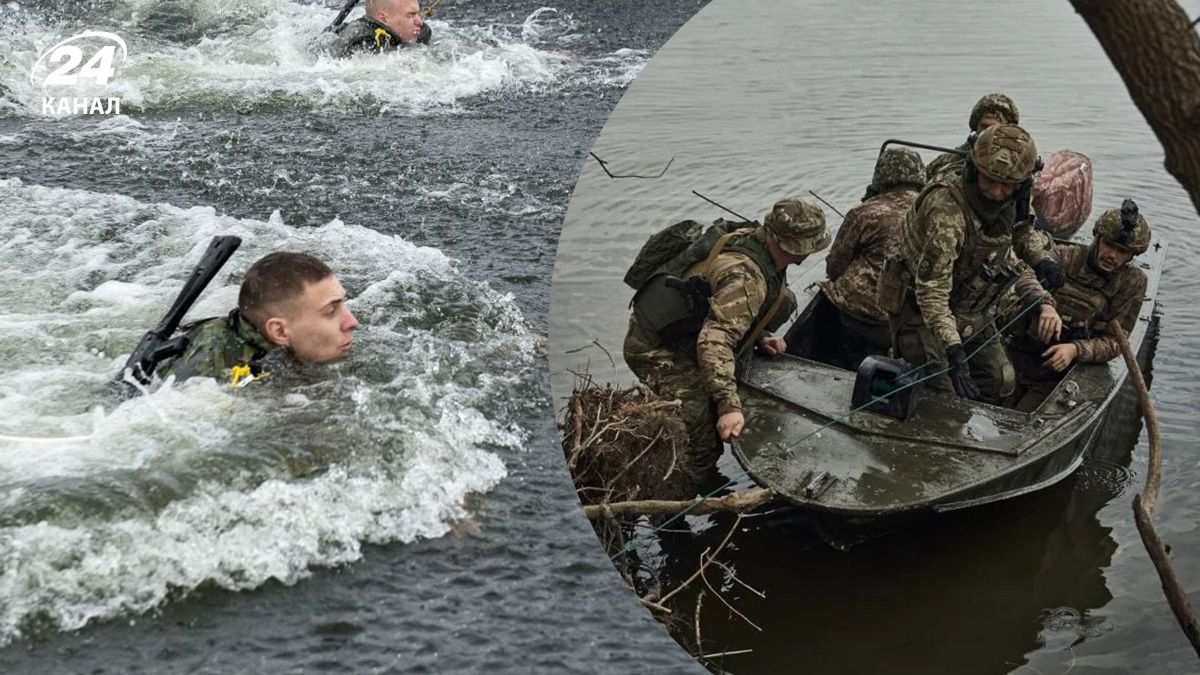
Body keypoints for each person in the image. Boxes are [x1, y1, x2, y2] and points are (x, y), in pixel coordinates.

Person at [623, 198, 829, 482]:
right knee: (702, 429)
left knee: (785, 301)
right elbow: (714, 342)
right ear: (798, 249)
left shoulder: (756, 243)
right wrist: (728, 407)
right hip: (653, 346)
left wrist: (760, 337)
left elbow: (721, 309)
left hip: (687, 333)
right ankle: (683, 490)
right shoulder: (746, 279)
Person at [879, 123, 1059, 404]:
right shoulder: (947, 210)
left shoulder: (1015, 198)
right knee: (940, 394)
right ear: (975, 170)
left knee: (1001, 380)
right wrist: (953, 348)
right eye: (990, 181)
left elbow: (1022, 230)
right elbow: (931, 291)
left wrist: (1042, 258)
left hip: (971, 305)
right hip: (920, 310)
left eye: (1007, 186)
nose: (996, 192)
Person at [1006, 201, 1151, 408]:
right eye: (1109, 245)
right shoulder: (1066, 256)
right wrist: (1045, 305)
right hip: (1021, 348)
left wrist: (1076, 350)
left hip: (1058, 369)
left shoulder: (1132, 282)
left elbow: (1117, 341)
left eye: (1122, 251)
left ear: (1131, 256)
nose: (1112, 255)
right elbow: (1025, 275)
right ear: (1097, 239)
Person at [158, 251, 359, 384]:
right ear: (279, 331)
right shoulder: (219, 378)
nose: (352, 322)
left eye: (343, 303)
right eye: (330, 312)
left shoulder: (255, 335)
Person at [815, 147, 925, 368]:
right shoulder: (937, 211)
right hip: (914, 319)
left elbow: (834, 267)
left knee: (827, 299)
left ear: (881, 176)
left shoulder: (864, 212)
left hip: (861, 316)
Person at [926, 92, 1020, 184]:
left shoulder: (1021, 162)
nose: (987, 133)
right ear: (975, 127)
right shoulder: (950, 160)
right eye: (984, 126)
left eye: (994, 129)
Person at [330, 0, 431, 57]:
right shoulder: (363, 45)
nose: (420, 22)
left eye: (418, 13)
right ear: (383, 18)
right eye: (411, 15)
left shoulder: (421, 32)